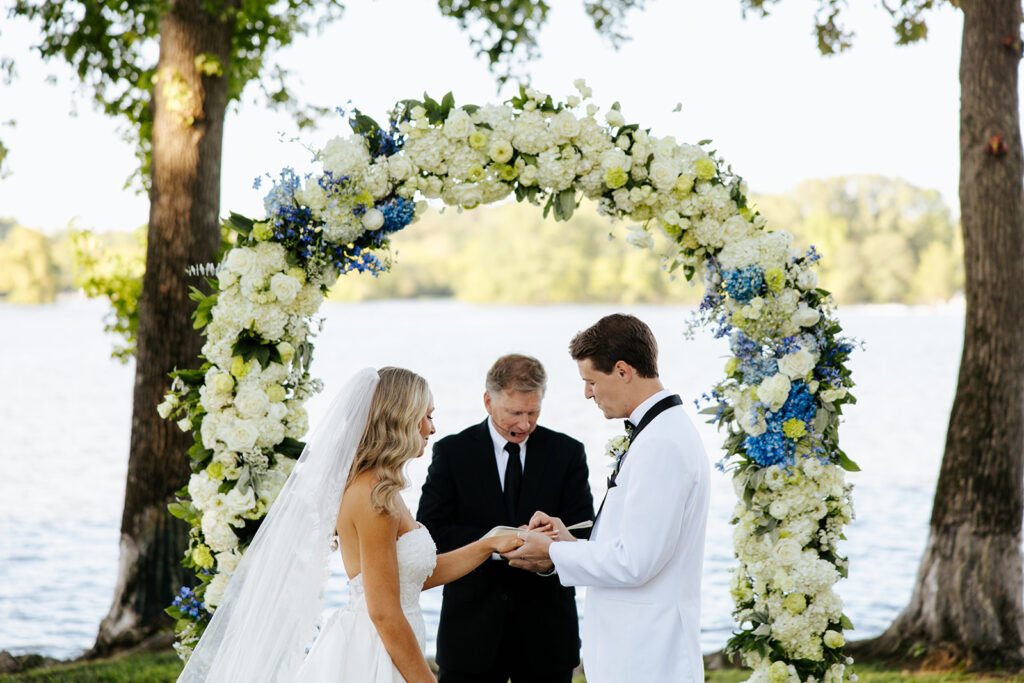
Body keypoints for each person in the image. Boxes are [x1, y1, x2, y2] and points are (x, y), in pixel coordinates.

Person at [178, 367, 522, 683]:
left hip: (389, 640)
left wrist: (489, 543)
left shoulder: (384, 488)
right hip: (374, 651)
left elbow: (410, 579)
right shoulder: (374, 496)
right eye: (428, 416)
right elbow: (384, 612)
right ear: (401, 417)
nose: (432, 428)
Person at [504, 314, 710, 683]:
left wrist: (552, 551)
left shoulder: (662, 443)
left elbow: (635, 561)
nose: (587, 393)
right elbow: (634, 544)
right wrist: (567, 542)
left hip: (648, 657)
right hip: (636, 651)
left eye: (591, 381)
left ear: (623, 371)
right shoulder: (659, 431)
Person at [417, 354, 594, 683]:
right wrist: (496, 542)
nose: (525, 424)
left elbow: (583, 532)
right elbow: (431, 532)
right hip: (470, 634)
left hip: (547, 636)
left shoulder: (567, 452)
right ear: (488, 401)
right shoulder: (453, 452)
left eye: (533, 412)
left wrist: (549, 559)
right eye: (514, 413)